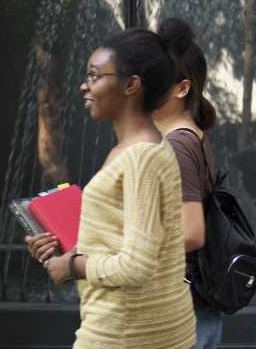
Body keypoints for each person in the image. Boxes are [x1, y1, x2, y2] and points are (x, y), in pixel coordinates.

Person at [23, 28, 196, 348]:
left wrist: (71, 266)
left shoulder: (141, 157)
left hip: (124, 332)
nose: (84, 86)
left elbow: (136, 266)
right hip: (147, 326)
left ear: (131, 85)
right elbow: (131, 243)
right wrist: (68, 249)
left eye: (94, 76)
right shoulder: (138, 150)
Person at [153, 17, 224, 349]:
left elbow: (192, 232)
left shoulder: (178, 145)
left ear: (182, 88)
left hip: (180, 312)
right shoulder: (194, 135)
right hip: (194, 308)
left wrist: (130, 245)